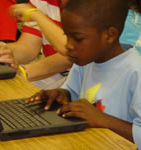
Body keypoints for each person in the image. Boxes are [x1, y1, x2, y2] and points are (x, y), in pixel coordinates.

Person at [25, 0, 141, 149]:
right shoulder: (86, 61)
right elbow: (72, 92)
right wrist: (61, 94)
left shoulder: (135, 71)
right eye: (67, 36)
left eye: (78, 39)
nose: (68, 45)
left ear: (109, 35)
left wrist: (102, 119)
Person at [0, 0, 72, 82]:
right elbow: (28, 47)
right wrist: (3, 49)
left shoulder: (84, 5)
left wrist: (23, 72)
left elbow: (71, 52)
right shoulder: (41, 1)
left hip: (79, 77)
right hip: (56, 75)